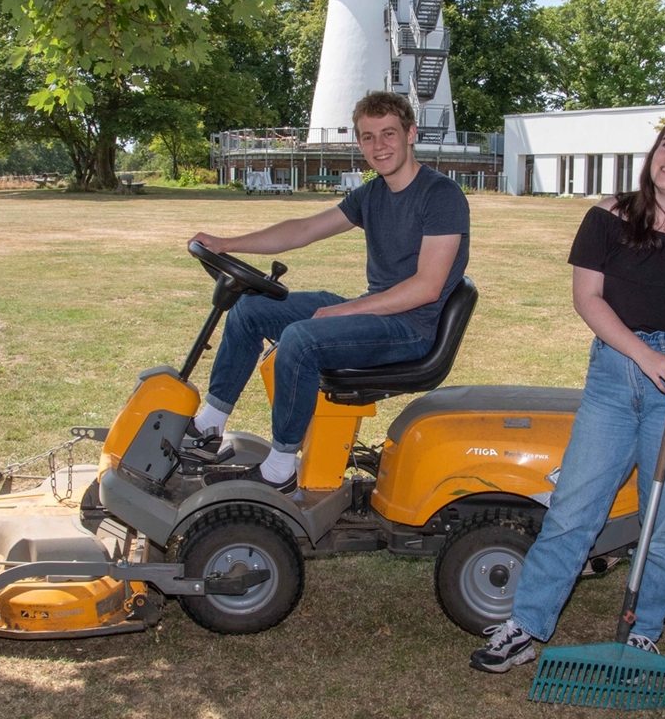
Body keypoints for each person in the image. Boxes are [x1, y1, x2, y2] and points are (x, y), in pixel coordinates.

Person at [469, 112, 665, 673]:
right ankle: (526, 625)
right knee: (573, 508)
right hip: (616, 377)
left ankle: (643, 633)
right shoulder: (606, 218)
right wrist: (644, 356)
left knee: (664, 519)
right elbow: (588, 300)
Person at [188, 92, 470, 494]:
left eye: (388, 133)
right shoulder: (372, 194)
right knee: (250, 309)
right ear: (359, 143)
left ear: (411, 134)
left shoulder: (441, 196)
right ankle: (209, 426)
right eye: (368, 137)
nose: (379, 146)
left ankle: (280, 470)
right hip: (376, 315)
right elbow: (303, 229)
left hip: (411, 328)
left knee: (300, 340)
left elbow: (426, 288)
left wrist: (345, 311)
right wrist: (227, 243)